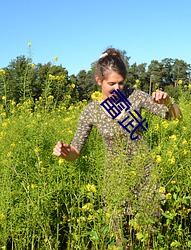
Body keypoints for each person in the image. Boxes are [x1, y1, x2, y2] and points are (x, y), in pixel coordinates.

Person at [53, 47, 182, 247]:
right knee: (120, 237)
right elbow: (76, 151)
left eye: (121, 83)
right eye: (111, 84)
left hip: (146, 175)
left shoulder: (136, 96)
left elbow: (175, 118)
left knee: (150, 235)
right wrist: (65, 152)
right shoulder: (92, 111)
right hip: (115, 180)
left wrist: (169, 102)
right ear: (99, 81)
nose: (117, 89)